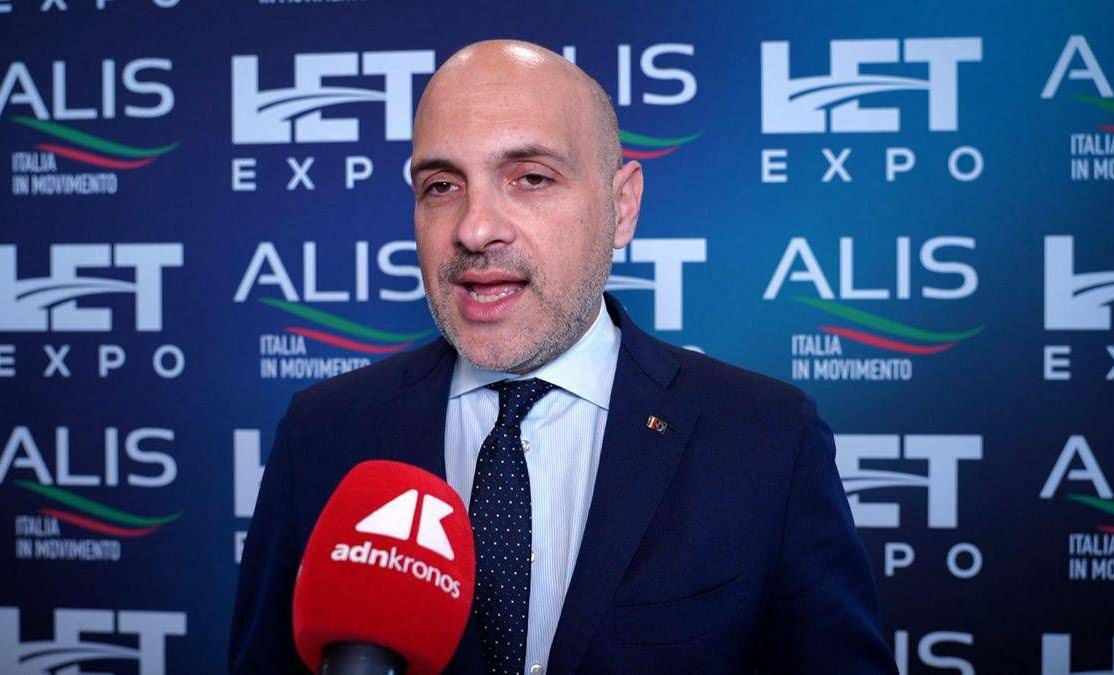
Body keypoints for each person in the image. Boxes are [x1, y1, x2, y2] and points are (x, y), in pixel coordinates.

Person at [230, 39, 896, 674]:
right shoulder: (322, 435)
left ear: (622, 207)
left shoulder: (767, 440)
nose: (475, 228)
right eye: (441, 186)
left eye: (530, 178)